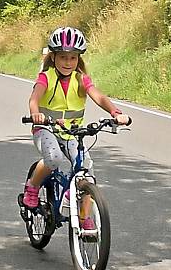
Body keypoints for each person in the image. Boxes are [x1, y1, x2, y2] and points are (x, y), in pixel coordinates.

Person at [22, 26, 130, 230]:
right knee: (54, 159)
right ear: (54, 57)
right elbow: (34, 97)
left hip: (72, 132)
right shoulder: (46, 77)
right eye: (63, 57)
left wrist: (115, 113)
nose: (68, 62)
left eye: (73, 58)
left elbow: (98, 96)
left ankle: (83, 217)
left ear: (78, 59)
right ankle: (33, 188)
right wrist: (36, 114)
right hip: (46, 129)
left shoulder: (80, 79)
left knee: (86, 169)